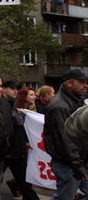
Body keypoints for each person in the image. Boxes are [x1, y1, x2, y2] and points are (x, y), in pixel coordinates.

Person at [43, 69, 88, 200]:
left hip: (79, 162)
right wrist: (79, 167)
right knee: (64, 197)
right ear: (69, 83)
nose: (86, 85)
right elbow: (66, 141)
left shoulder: (77, 100)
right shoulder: (60, 106)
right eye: (82, 82)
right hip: (69, 165)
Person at [2, 81, 40, 200]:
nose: (15, 91)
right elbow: (17, 124)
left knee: (26, 185)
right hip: (6, 151)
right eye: (12, 88)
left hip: (16, 151)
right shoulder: (4, 105)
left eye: (16, 89)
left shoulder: (12, 105)